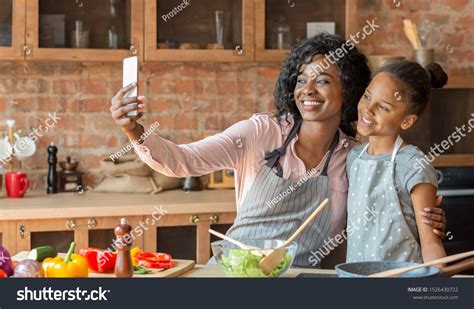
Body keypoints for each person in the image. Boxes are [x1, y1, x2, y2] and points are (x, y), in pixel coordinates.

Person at [110, 33, 446, 268]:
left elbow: (376, 214)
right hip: (234, 274)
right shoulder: (260, 132)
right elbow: (181, 161)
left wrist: (420, 216)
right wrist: (133, 128)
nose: (308, 90)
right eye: (302, 80)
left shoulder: (355, 158)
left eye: (324, 81)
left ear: (351, 90)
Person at [346, 60, 448, 264]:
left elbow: (431, 243)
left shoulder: (413, 164)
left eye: (383, 107)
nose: (368, 109)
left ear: (407, 121)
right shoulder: (354, 157)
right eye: (367, 96)